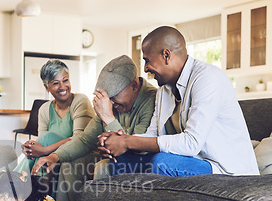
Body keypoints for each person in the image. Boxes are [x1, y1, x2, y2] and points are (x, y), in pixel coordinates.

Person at [98, 26, 259, 176]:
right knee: (119, 163)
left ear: (166, 55)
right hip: (191, 161)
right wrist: (117, 141)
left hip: (225, 169)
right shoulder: (163, 91)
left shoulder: (208, 78)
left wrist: (128, 141)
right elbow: (151, 135)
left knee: (161, 163)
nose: (145, 69)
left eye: (147, 60)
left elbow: (191, 143)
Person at [32, 55, 157, 201]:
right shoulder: (114, 102)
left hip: (138, 161)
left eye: (114, 97)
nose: (110, 103)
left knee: (102, 167)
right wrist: (54, 156)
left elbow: (136, 149)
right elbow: (85, 140)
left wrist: (108, 117)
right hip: (107, 157)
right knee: (69, 165)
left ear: (133, 86)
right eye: (107, 98)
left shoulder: (152, 99)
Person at [14, 59, 94, 179]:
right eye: (56, 83)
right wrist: (31, 147)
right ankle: (25, 185)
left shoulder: (80, 101)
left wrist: (44, 150)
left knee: (48, 137)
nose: (62, 87)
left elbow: (79, 140)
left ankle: (16, 180)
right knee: (43, 142)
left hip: (78, 153)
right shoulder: (45, 109)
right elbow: (40, 142)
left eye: (65, 80)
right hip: (52, 157)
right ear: (47, 87)